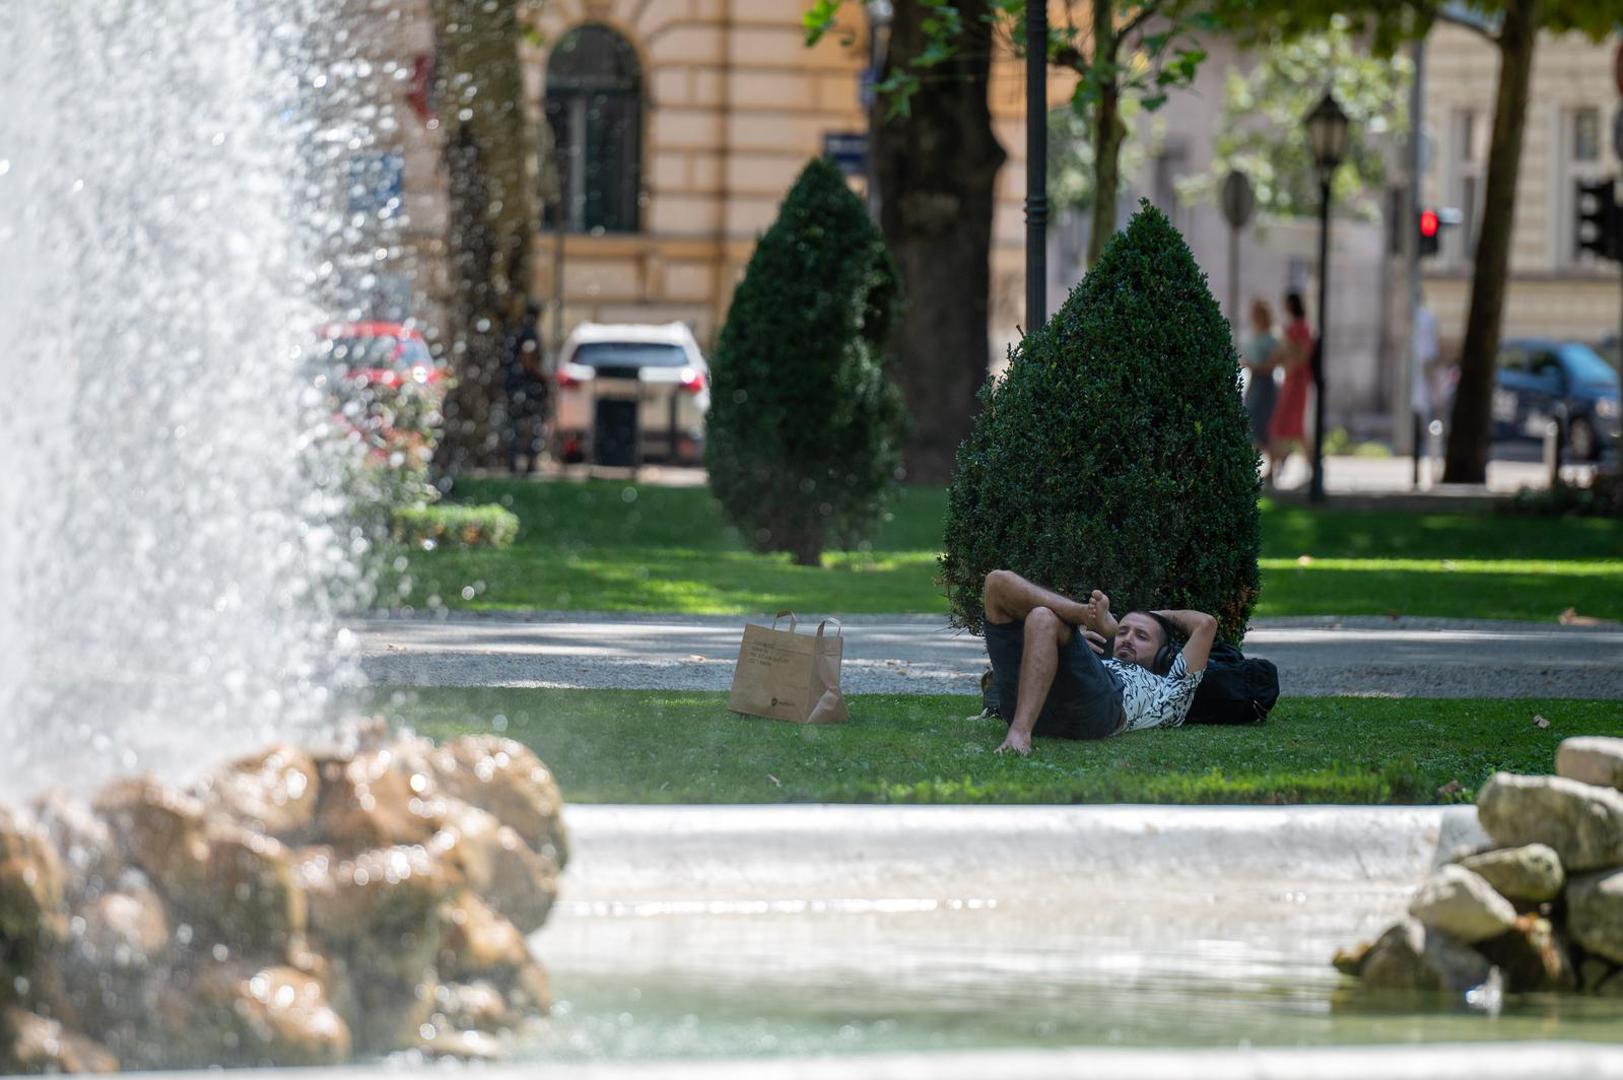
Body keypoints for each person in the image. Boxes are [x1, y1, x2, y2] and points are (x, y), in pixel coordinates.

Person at [981, 569, 1217, 756]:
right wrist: (1064, 642)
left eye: (1141, 636)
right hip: (1031, 704)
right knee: (996, 583)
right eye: (1122, 632)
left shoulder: (1172, 688)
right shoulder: (1099, 659)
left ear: (1162, 652)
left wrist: (1153, 614)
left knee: (1042, 616)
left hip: (1098, 711)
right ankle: (1082, 614)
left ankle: (1020, 733)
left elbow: (1206, 624)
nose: (1127, 639)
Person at [1266, 291, 1314, 487]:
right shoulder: (1294, 328)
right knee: (1288, 428)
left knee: (1286, 427)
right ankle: (1273, 469)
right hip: (1291, 381)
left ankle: (1273, 470)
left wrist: (1288, 357)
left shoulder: (1300, 328)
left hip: (1297, 383)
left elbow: (1302, 354)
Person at [502, 299, 548, 473]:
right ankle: (530, 465)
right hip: (528, 388)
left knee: (514, 426)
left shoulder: (516, 332)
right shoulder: (530, 333)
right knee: (532, 426)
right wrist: (543, 377)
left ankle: (513, 463)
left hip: (514, 386)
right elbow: (528, 356)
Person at [1240, 298, 1280, 479]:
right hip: (1255, 383)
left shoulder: (1271, 338)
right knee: (1251, 424)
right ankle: (1251, 465)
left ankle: (1271, 467)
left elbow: (1270, 365)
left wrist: (1253, 365)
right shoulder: (1256, 335)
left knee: (1264, 425)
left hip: (1265, 385)